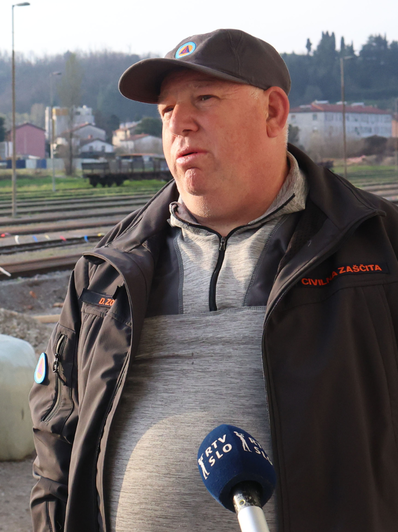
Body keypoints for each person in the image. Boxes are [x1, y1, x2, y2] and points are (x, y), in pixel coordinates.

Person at [29, 28, 398, 532]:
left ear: (273, 112)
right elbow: (56, 435)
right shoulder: (105, 271)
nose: (180, 122)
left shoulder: (378, 248)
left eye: (204, 98)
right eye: (166, 111)